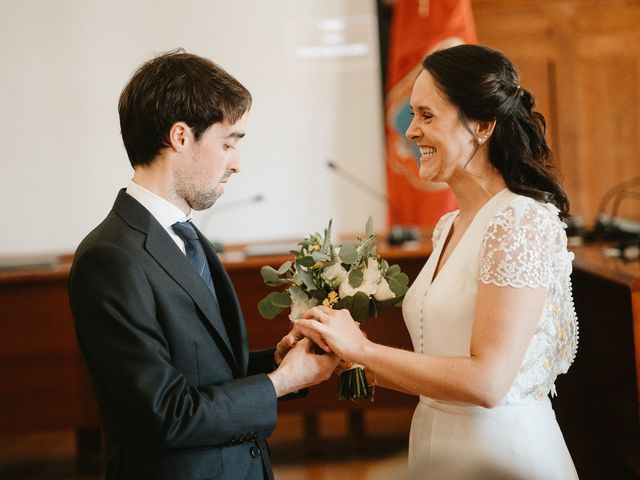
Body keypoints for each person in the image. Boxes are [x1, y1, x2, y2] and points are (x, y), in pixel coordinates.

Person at [294, 44, 579, 479]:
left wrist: (364, 349)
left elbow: (487, 382)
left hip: (500, 453)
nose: (410, 131)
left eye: (427, 116)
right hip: (434, 441)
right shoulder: (449, 225)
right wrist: (341, 354)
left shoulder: (519, 222)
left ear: (482, 125)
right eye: (413, 115)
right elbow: (439, 360)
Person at [68, 50, 339, 480]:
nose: (237, 162)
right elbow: (166, 414)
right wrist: (280, 383)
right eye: (228, 142)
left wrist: (277, 362)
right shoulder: (111, 258)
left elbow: (203, 374)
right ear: (180, 137)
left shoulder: (187, 235)